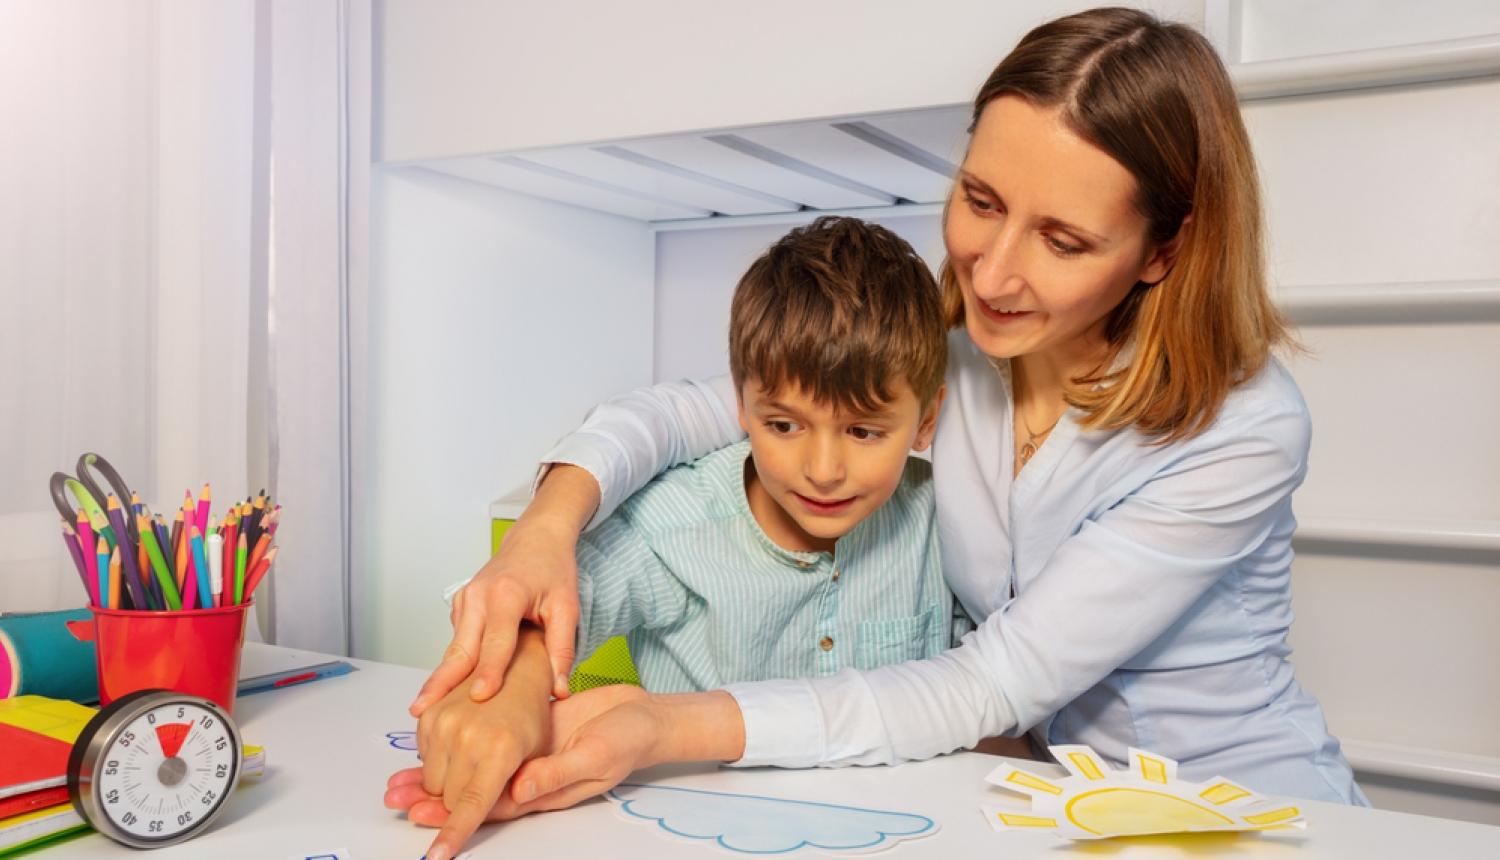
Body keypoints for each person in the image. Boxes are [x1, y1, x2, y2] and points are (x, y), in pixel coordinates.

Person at [392, 8, 1370, 859]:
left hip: (1244, 809)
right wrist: (546, 532)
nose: (991, 274)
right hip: (1044, 804)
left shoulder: (1244, 427)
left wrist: (661, 725)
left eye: (1063, 240)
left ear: (1164, 250)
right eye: (981, 202)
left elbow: (993, 678)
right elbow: (694, 406)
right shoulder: (956, 357)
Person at [389, 216, 995, 859]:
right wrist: (512, 692)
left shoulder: (946, 521)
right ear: (739, 407)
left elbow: (985, 692)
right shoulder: (678, 523)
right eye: (785, 425)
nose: (823, 470)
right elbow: (567, 597)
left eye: (864, 432)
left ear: (926, 419)